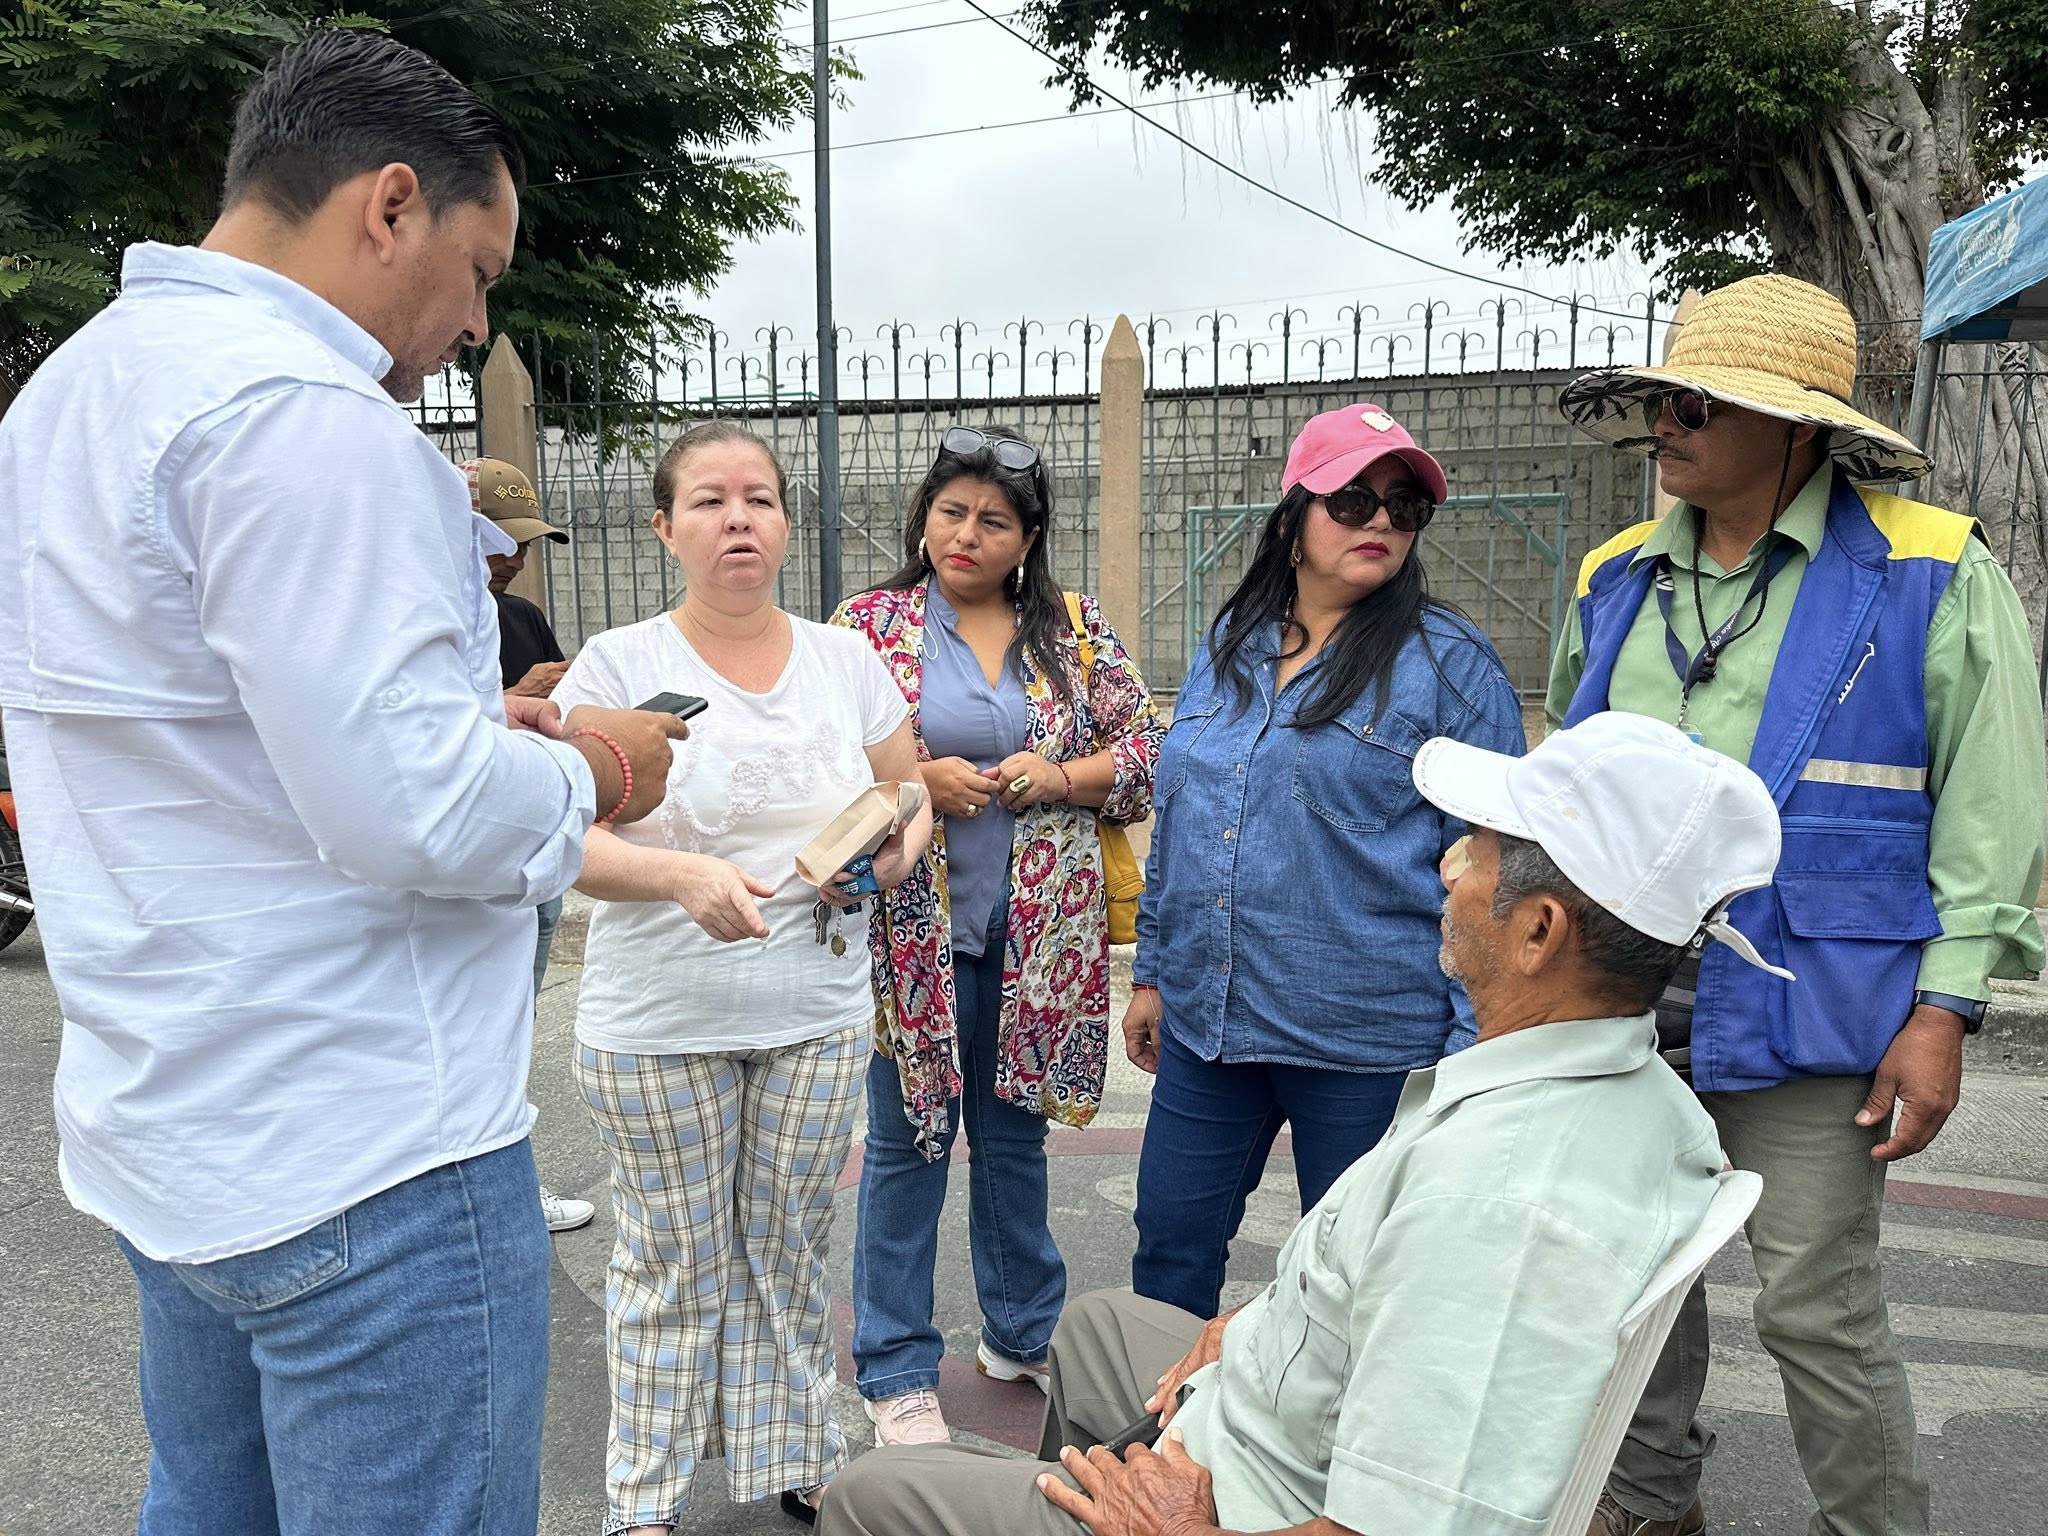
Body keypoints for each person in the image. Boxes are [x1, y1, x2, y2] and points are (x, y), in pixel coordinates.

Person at [0, 32, 684, 1536]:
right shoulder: (304, 412)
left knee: (205, 1503)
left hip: (170, 1131)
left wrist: (473, 726)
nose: (476, 319)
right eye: (480, 269)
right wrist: (594, 768)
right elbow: (414, 812)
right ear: (390, 206)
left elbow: (200, 727)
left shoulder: (67, 395)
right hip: (369, 1155)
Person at [817, 711, 1790, 1536]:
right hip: (1288, 1418)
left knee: (872, 1493)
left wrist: (1181, 1525)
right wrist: (1275, 1323)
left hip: (1257, 1501)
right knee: (1100, 1325)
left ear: (1538, 932)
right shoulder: (1635, 1093)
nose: (1448, 862)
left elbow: (1418, 1518)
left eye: (1479, 848)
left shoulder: (1502, 1194)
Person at [1550, 273, 2048, 1536]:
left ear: (1793, 429)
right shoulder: (1614, 576)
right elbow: (1565, 781)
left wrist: (1943, 1009)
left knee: (1814, 1307)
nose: (1663, 424)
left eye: (1695, 406)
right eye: (1662, 399)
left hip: (1816, 997)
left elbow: (1989, 808)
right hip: (1618, 994)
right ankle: (1647, 1499)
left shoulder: (1928, 568)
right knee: (1628, 1277)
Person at [550, 420, 934, 1534]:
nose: (738, 521)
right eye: (710, 501)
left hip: (813, 1011)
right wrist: (678, 877)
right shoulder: (617, 666)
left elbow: (906, 794)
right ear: (665, 528)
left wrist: (887, 857)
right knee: (671, 1262)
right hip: (656, 1022)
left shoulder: (843, 661)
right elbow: (563, 835)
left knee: (788, 1247)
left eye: (758, 499)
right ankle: (645, 1499)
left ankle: (799, 1454)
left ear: (786, 524)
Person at [1124, 402, 1526, 1320]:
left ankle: (1335, 1424)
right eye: (1351, 500)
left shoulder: (1451, 667)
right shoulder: (1230, 645)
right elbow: (1182, 819)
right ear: (1291, 520)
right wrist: (1152, 972)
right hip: (1209, 1024)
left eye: (1403, 506)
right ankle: (1161, 1417)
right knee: (1169, 1249)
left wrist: (1475, 1052)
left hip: (1367, 1041)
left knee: (1357, 1286)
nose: (1380, 519)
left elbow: (1499, 868)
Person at [831, 424, 1163, 1446]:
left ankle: (1020, 1332)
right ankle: (895, 1365)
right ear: (922, 519)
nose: (966, 535)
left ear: (1029, 538)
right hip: (913, 937)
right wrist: (912, 783)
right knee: (907, 1143)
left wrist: (1059, 776)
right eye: (951, 512)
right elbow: (820, 760)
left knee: (1014, 1138)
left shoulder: (1071, 630)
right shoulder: (868, 628)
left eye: (994, 520)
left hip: (1039, 941)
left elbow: (1149, 751)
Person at [459, 454, 594, 1233]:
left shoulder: (520, 618)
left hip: (531, 857)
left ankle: (509, 1182)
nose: (512, 558)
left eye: (525, 542)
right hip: (464, 865)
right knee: (474, 1028)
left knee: (512, 1028)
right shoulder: (421, 619)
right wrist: (510, 700)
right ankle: (496, 1194)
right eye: (497, 540)